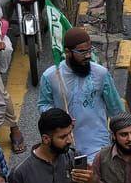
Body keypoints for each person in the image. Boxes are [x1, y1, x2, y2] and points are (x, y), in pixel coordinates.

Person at [38, 27, 125, 159]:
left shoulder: (101, 74)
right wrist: (58, 118)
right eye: (82, 52)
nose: (88, 55)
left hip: (97, 146)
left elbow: (117, 111)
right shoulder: (51, 76)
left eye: (90, 50)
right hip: (63, 146)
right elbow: (43, 105)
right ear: (68, 52)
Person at [10, 109, 102, 183]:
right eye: (63, 137)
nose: (70, 140)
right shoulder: (20, 173)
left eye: (70, 133)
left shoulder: (73, 158)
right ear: (46, 139)